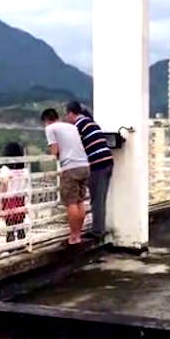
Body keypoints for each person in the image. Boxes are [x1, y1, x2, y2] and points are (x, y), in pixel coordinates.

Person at [41, 108, 90, 245]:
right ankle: (78, 234)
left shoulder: (50, 128)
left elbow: (55, 150)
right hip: (84, 165)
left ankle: (74, 236)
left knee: (71, 202)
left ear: (46, 120)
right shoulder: (72, 127)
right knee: (80, 201)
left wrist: (54, 155)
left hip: (70, 167)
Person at [65, 101, 114, 240]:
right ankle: (99, 228)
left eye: (67, 114)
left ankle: (98, 231)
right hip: (107, 163)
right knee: (100, 198)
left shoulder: (78, 126)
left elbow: (73, 147)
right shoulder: (91, 123)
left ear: (71, 113)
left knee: (97, 199)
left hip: (98, 165)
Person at [0, 142, 28, 243]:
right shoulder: (24, 170)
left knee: (9, 228)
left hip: (9, 200)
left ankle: (10, 246)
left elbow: (3, 186)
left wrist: (0, 203)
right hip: (20, 199)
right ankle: (22, 244)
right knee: (20, 225)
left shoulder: (5, 169)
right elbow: (25, 186)